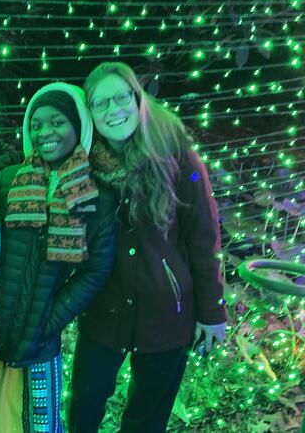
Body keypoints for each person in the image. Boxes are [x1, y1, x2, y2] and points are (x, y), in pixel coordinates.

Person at [68, 61, 228, 433]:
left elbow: (203, 234)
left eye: (121, 97)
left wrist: (213, 309)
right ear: (88, 112)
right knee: (84, 405)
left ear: (137, 97)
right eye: (100, 103)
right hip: (102, 311)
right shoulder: (78, 159)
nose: (114, 110)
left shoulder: (174, 151)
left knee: (147, 419)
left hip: (167, 314)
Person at [0, 82, 117, 433]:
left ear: (79, 125)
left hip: (41, 342)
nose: (45, 132)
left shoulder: (95, 197)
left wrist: (51, 319)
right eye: (36, 124)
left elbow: (96, 270)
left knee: (39, 423)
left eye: (57, 122)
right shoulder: (7, 182)